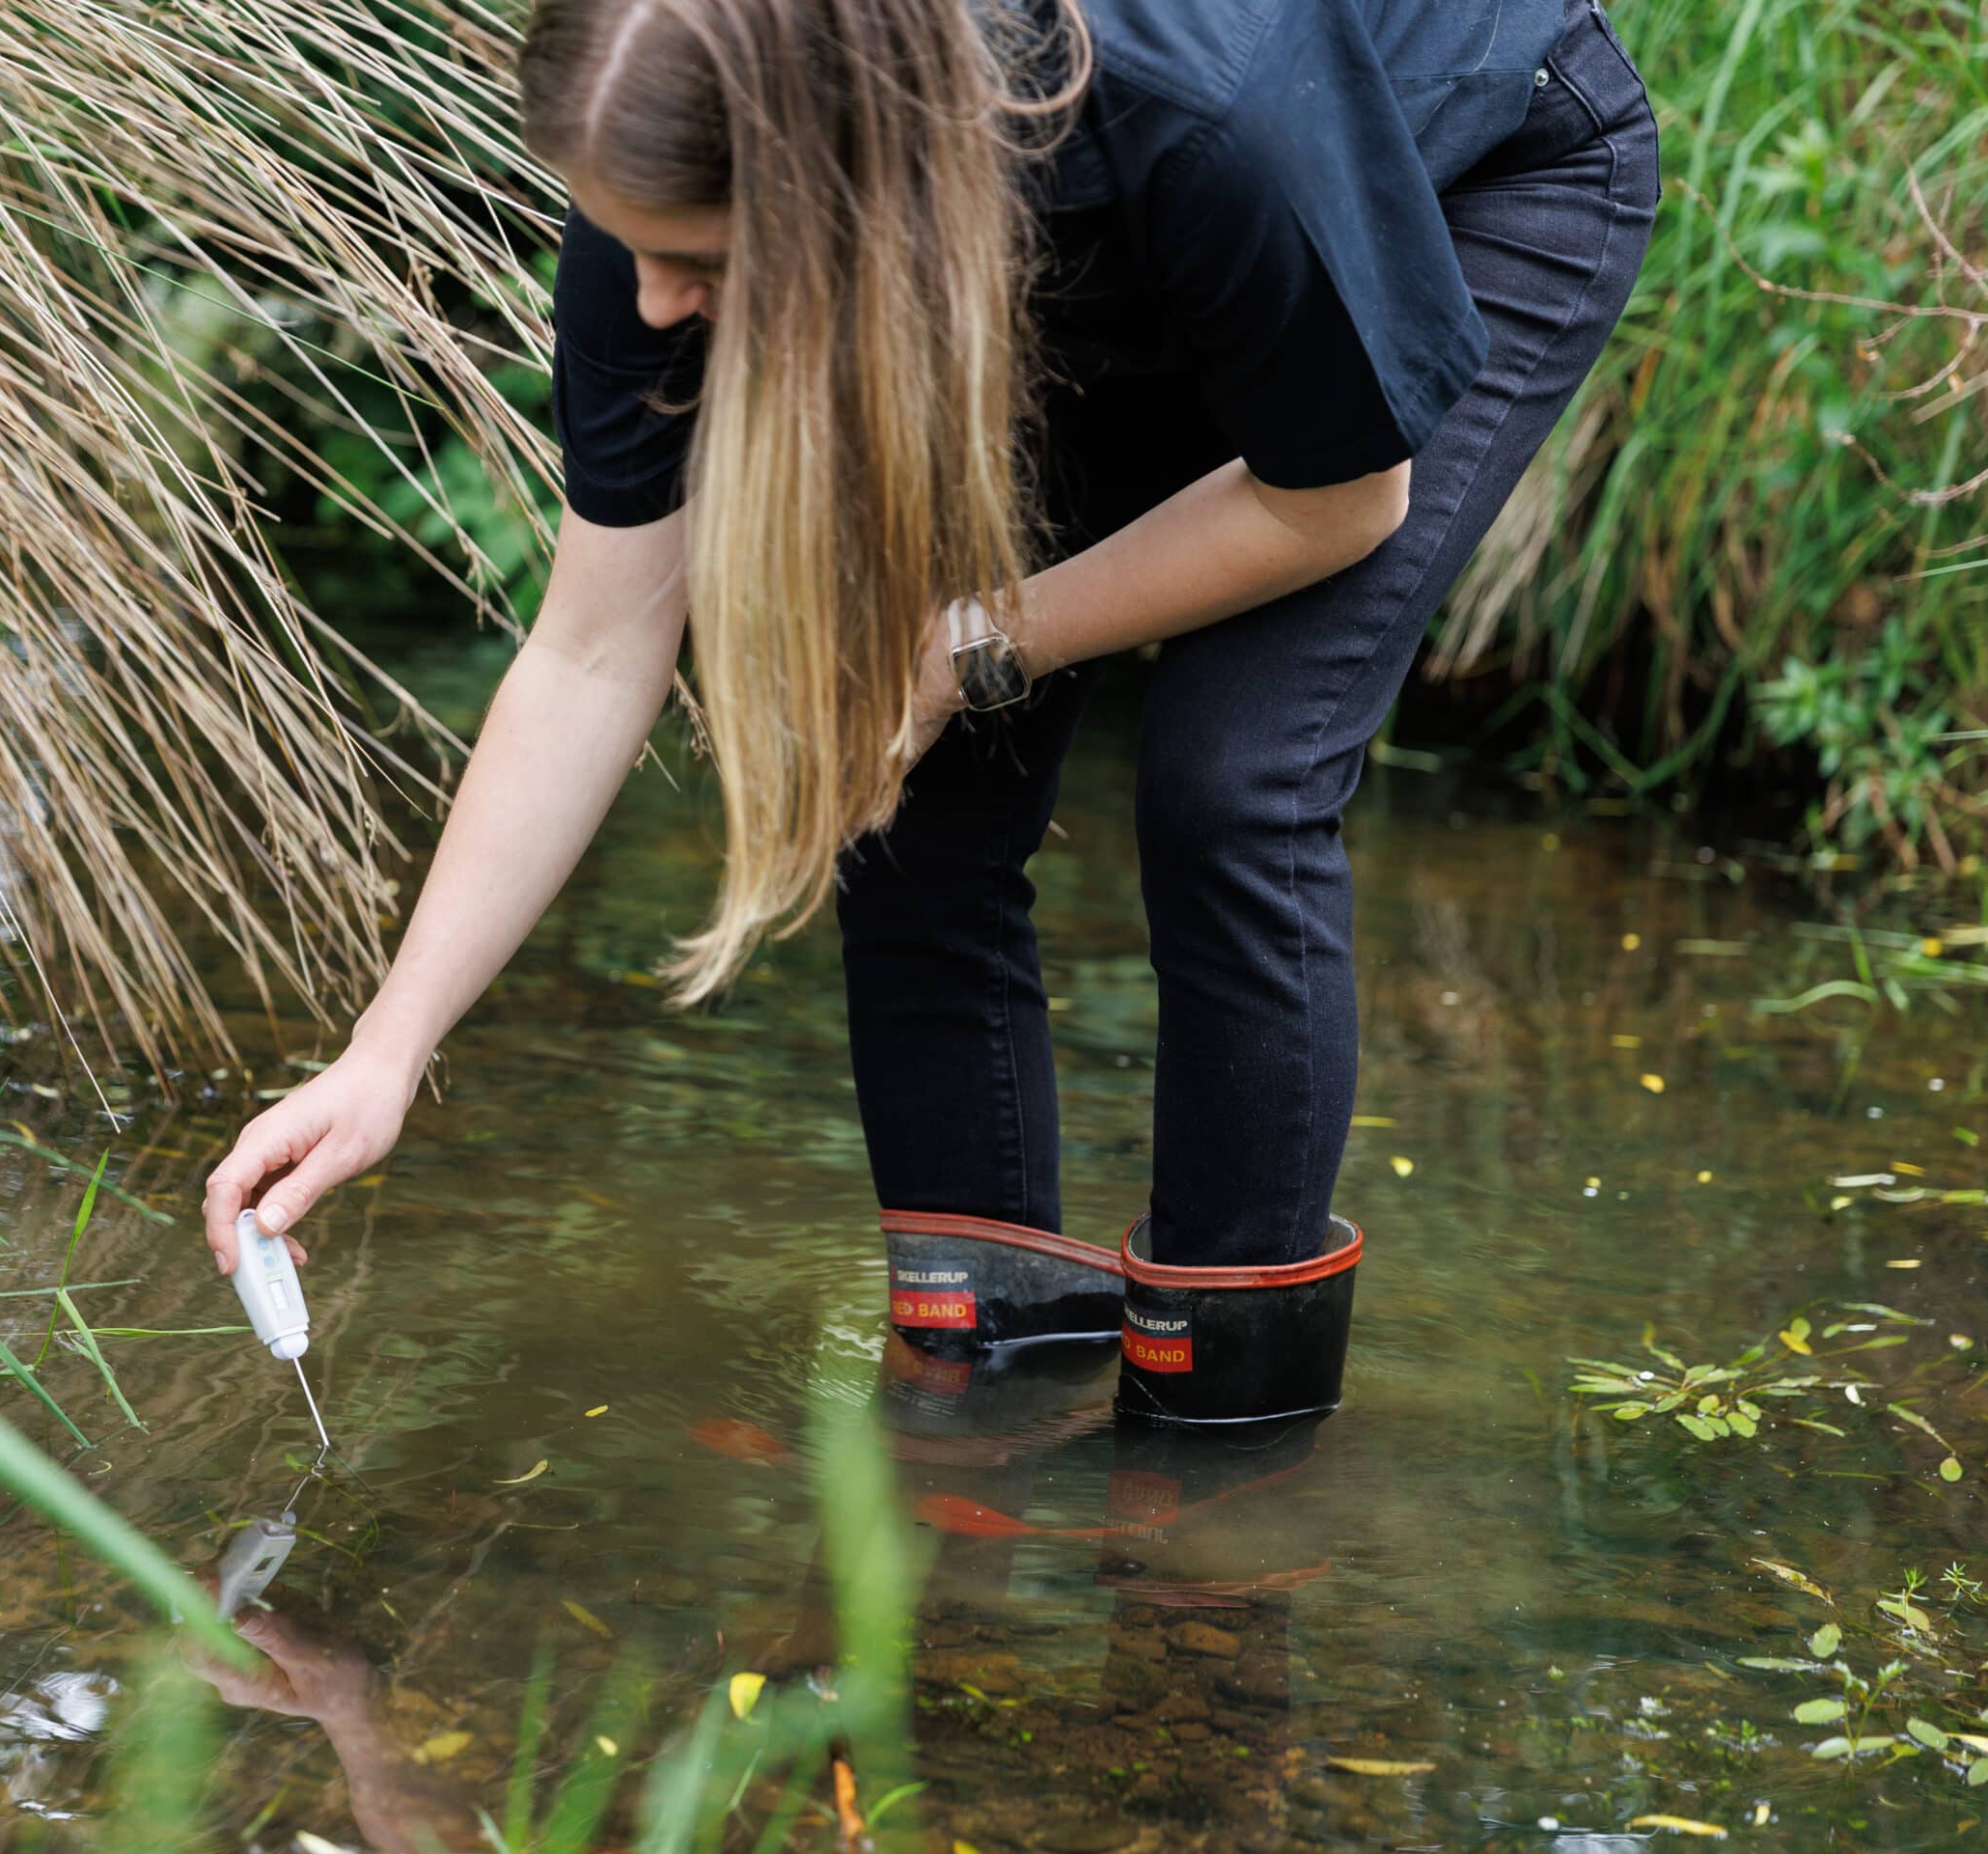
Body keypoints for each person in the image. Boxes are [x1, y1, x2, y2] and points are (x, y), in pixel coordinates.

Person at [205, 0, 1657, 1425]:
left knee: (1229, 782)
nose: (650, 303)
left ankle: (1224, 1469)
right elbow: (592, 649)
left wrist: (970, 648)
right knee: (903, 796)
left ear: (845, 188)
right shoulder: (663, 137)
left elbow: (1334, 500)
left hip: (1464, 174)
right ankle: (981, 1387)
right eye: (629, 246)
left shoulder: (1203, 110)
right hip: (1075, 245)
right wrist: (384, 1051)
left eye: (693, 261)